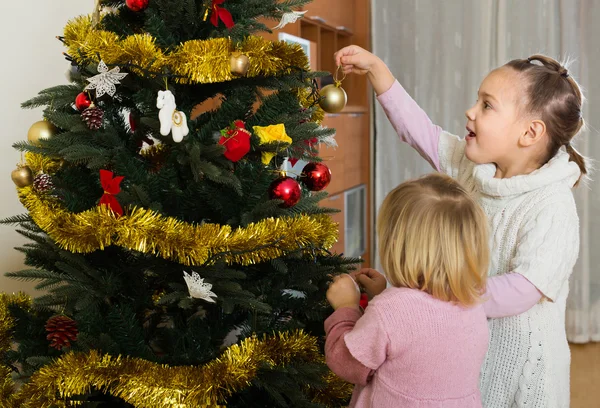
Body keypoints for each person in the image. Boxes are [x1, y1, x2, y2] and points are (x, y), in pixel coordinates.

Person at [335, 45, 586, 407]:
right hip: (464, 362)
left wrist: (426, 300)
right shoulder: (475, 171)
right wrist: (377, 71)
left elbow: (523, 289)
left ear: (530, 133)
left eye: (486, 105)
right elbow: (419, 131)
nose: (470, 111)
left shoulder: (551, 205)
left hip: (520, 375)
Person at [325, 173, 490, 407]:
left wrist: (346, 308)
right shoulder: (472, 301)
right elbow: (418, 334)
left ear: (397, 248)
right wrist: (381, 296)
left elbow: (347, 363)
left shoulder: (391, 309)